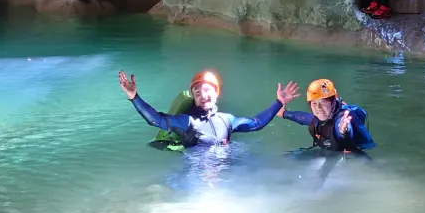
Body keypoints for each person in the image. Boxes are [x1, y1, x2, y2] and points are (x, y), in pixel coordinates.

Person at [118, 70, 300, 148]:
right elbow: (155, 119)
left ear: (216, 93)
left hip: (224, 168)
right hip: (196, 172)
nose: (202, 95)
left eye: (207, 90)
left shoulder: (227, 120)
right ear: (194, 99)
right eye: (197, 92)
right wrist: (134, 97)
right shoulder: (187, 121)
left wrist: (278, 102)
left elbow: (256, 123)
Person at [280, 78, 375, 153]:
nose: (318, 107)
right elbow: (305, 118)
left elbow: (342, 130)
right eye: (314, 103)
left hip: (353, 157)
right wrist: (284, 113)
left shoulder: (342, 119)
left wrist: (343, 131)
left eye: (323, 102)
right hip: (330, 152)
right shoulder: (318, 118)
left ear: (333, 103)